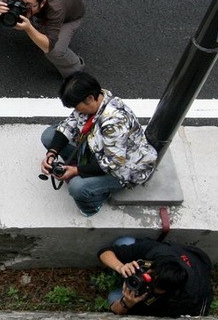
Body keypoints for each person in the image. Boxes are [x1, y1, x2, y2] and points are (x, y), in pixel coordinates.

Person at [39, 72, 157, 216]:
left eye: (77, 107)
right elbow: (69, 126)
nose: (76, 111)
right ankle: (82, 167)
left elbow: (112, 164)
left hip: (122, 169)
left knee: (77, 187)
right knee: (49, 137)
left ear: (90, 98)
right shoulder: (97, 99)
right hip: (98, 149)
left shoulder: (114, 122)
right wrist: (52, 153)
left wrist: (77, 171)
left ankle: (93, 204)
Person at [98, 236, 213, 317]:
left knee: (113, 297)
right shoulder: (157, 252)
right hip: (193, 261)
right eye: (148, 276)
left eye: (151, 286)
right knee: (123, 241)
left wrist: (127, 303)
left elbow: (117, 311)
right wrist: (120, 267)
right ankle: (114, 272)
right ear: (151, 266)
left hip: (198, 289)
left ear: (165, 292)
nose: (144, 282)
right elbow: (104, 253)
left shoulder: (173, 304)